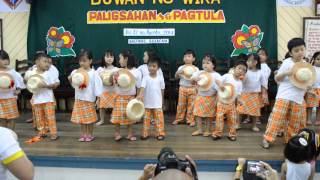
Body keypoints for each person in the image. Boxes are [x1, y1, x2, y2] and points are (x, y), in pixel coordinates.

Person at [262, 38, 308, 149]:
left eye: (302, 49)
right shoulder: (287, 62)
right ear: (291, 53)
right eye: (296, 51)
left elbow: (307, 81)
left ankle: (290, 140)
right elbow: (277, 78)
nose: (300, 52)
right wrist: (287, 73)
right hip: (284, 95)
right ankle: (267, 138)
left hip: (298, 97)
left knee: (294, 121)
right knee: (276, 118)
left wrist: (308, 89)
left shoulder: (306, 64)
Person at [69, 50, 103, 142]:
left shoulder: (94, 73)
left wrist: (98, 98)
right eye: (80, 61)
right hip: (79, 98)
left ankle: (90, 135)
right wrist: (70, 79)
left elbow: (98, 86)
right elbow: (72, 82)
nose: (82, 63)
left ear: (90, 61)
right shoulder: (76, 72)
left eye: (84, 60)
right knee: (82, 119)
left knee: (90, 119)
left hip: (89, 99)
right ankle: (84, 134)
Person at [212, 60, 247, 141]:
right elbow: (217, 80)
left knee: (232, 119)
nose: (240, 71)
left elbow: (238, 94)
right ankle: (217, 133)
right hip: (221, 102)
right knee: (219, 118)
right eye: (239, 68)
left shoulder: (240, 83)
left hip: (231, 104)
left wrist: (240, 100)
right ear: (234, 68)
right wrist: (221, 85)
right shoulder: (227, 76)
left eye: (243, 70)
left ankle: (232, 134)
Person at [111, 49, 142, 141]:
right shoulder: (118, 70)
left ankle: (130, 133)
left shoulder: (137, 71)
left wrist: (138, 97)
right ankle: (117, 133)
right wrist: (114, 76)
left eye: (120, 58)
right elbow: (114, 83)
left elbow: (139, 86)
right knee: (117, 116)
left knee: (130, 116)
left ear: (126, 59)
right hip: (119, 97)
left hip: (131, 97)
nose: (119, 60)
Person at [29, 52, 60, 141]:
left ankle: (53, 133)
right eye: (45, 61)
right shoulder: (32, 73)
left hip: (48, 99)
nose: (47, 64)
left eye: (48, 62)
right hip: (37, 99)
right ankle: (42, 132)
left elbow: (56, 83)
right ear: (37, 62)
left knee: (50, 118)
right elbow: (28, 83)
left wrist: (47, 86)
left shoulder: (49, 73)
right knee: (39, 118)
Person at [191, 54, 221, 137]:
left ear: (213, 65)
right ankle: (199, 129)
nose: (205, 65)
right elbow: (192, 79)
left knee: (209, 115)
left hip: (211, 98)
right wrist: (194, 79)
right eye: (203, 63)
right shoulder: (200, 72)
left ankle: (208, 130)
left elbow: (219, 88)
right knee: (197, 114)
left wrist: (217, 100)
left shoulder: (216, 75)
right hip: (200, 96)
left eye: (208, 63)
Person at [137, 57, 166, 140]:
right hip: (147, 103)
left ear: (158, 68)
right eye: (149, 66)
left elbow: (162, 90)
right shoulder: (145, 77)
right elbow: (142, 87)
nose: (151, 68)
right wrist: (140, 95)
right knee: (146, 120)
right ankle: (145, 133)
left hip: (157, 103)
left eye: (154, 66)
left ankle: (160, 133)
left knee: (159, 120)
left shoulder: (160, 77)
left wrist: (162, 101)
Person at [237, 54, 267, 132]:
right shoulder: (244, 71)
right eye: (247, 60)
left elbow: (263, 84)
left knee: (255, 111)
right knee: (240, 110)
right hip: (244, 93)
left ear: (255, 62)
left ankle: (254, 125)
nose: (247, 62)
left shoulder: (260, 72)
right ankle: (238, 124)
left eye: (250, 60)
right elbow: (239, 80)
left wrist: (264, 94)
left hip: (255, 95)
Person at [172, 49, 199, 127]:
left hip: (192, 88)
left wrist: (194, 79)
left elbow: (197, 80)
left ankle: (190, 120)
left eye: (189, 56)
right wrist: (177, 73)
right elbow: (176, 77)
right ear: (183, 58)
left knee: (191, 105)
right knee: (181, 105)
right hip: (182, 88)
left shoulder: (196, 69)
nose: (187, 58)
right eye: (185, 56)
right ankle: (178, 119)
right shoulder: (181, 67)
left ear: (193, 59)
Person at [0, 50, 25, 130]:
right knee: (1, 119)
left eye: (7, 59)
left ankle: (11, 135)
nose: (6, 61)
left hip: (10, 98)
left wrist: (19, 90)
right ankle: (4, 136)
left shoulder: (12, 72)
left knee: (11, 118)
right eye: (3, 59)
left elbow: (21, 82)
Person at [95, 50, 118, 126]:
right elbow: (96, 82)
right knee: (102, 107)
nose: (109, 58)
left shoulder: (116, 69)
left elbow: (118, 81)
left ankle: (114, 118)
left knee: (115, 106)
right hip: (103, 91)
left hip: (114, 91)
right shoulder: (100, 69)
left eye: (111, 57)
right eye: (107, 56)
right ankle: (101, 120)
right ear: (103, 58)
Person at [305, 51, 320, 126]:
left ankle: (318, 119)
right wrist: (309, 89)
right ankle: (308, 119)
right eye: (318, 59)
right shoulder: (311, 68)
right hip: (312, 89)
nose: (319, 61)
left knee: (319, 107)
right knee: (309, 106)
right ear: (313, 59)